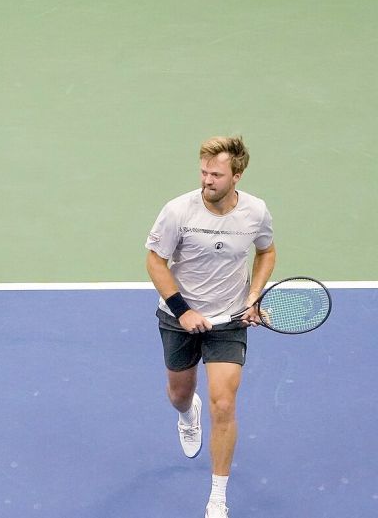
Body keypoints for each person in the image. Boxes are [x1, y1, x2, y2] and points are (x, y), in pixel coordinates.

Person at [144, 136, 276, 518]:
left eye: (216, 174)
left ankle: (217, 496)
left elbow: (266, 250)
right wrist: (183, 310)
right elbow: (155, 262)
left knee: (224, 402)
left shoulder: (255, 212)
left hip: (229, 320)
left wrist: (253, 296)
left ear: (237, 175)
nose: (206, 180)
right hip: (178, 319)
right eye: (203, 172)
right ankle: (188, 414)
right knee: (179, 394)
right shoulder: (177, 211)